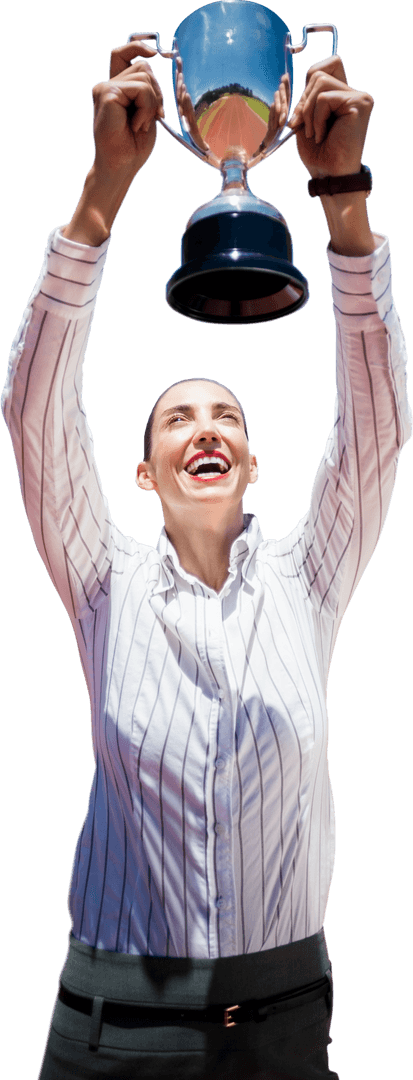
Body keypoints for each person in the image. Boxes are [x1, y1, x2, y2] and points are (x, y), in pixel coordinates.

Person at [2, 36, 411, 1080]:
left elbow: (373, 432)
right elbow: (37, 418)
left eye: (222, 413)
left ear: (250, 462)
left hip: (283, 1029)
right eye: (176, 417)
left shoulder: (309, 581)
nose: (202, 426)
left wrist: (343, 210)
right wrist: (104, 194)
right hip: (110, 1036)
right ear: (142, 473)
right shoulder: (102, 582)